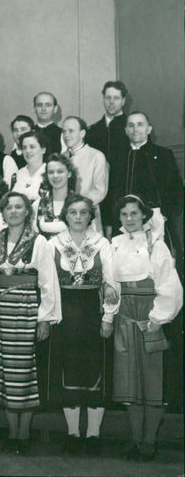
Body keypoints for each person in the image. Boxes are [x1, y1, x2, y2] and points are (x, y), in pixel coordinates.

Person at [111, 195, 182, 461]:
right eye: (124, 214)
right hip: (124, 316)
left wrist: (157, 318)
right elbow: (111, 281)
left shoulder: (157, 245)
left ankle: (149, 442)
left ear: (143, 216)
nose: (129, 219)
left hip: (149, 316)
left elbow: (170, 286)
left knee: (152, 383)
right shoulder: (114, 244)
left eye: (134, 214)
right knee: (130, 382)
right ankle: (136, 440)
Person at [47, 195, 119, 455]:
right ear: (65, 215)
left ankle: (93, 435)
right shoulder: (53, 243)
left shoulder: (102, 244)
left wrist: (108, 316)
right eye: (73, 212)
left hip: (92, 311)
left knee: (94, 371)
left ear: (91, 216)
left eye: (83, 213)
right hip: (65, 312)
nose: (78, 217)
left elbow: (112, 282)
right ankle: (73, 433)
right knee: (68, 371)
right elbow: (47, 283)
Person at [0, 192, 61, 454]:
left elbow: (48, 282)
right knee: (4, 371)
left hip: (25, 308)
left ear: (27, 212)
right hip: (0, 309)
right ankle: (12, 431)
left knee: (23, 370)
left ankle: (24, 432)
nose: (13, 211)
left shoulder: (38, 241)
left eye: (18, 207)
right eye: (8, 207)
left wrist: (45, 318)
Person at [109, 112, 182, 248]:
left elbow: (176, 189)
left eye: (140, 125)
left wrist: (164, 214)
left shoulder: (163, 155)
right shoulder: (117, 158)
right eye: (131, 125)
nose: (135, 129)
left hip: (155, 222)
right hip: (124, 222)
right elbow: (112, 192)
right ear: (126, 131)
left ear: (149, 129)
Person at [61, 116, 108, 233]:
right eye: (64, 131)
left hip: (88, 215)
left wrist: (79, 207)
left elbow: (100, 190)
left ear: (82, 133)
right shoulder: (61, 157)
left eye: (71, 131)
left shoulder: (96, 156)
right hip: (64, 216)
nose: (66, 135)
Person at [32, 153, 77, 238]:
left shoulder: (80, 204)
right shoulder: (38, 205)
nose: (55, 176)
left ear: (69, 174)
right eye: (51, 172)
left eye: (60, 171)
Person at [87, 81, 129, 170]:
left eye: (116, 98)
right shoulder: (92, 130)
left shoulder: (132, 128)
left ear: (123, 101)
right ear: (103, 99)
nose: (111, 102)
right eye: (108, 98)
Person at [13, 132, 47, 203]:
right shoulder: (17, 175)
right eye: (24, 148)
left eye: (32, 147)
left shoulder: (50, 173)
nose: (27, 151)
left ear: (43, 150)